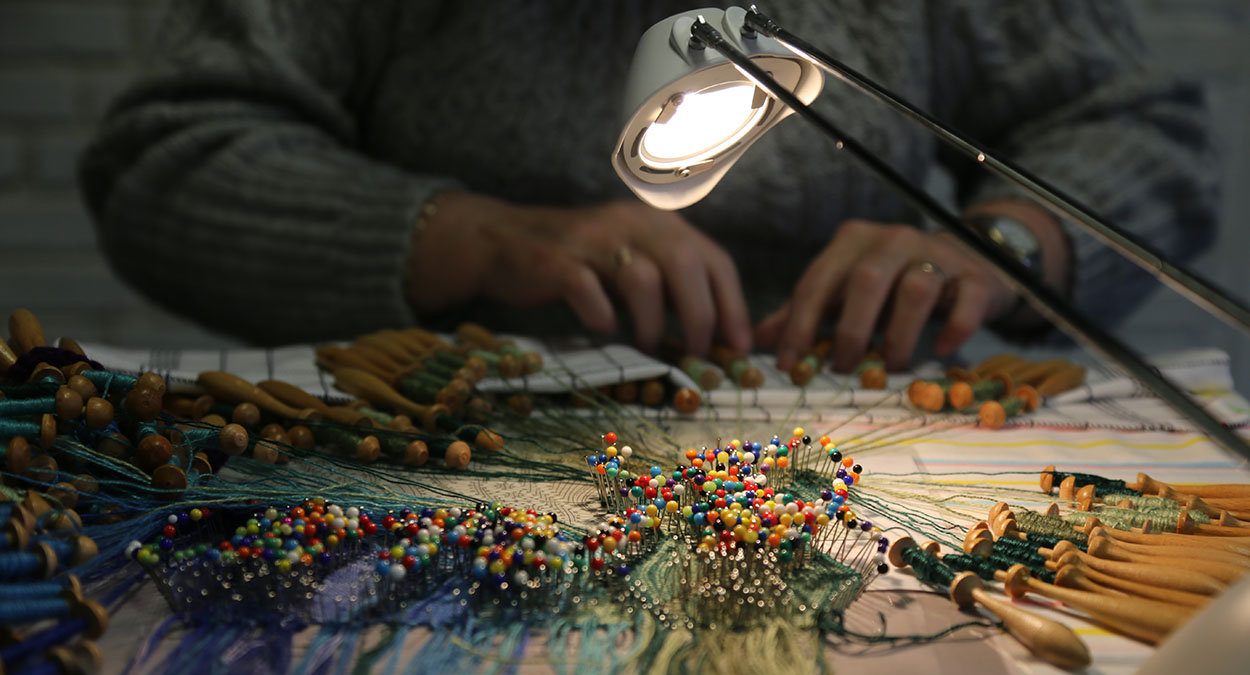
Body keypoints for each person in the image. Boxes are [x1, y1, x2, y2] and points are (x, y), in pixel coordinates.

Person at [79, 1, 1216, 373]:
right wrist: (477, 239)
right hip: (453, 436)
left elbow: (1130, 129)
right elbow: (166, 163)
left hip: (867, 425)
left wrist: (996, 246)